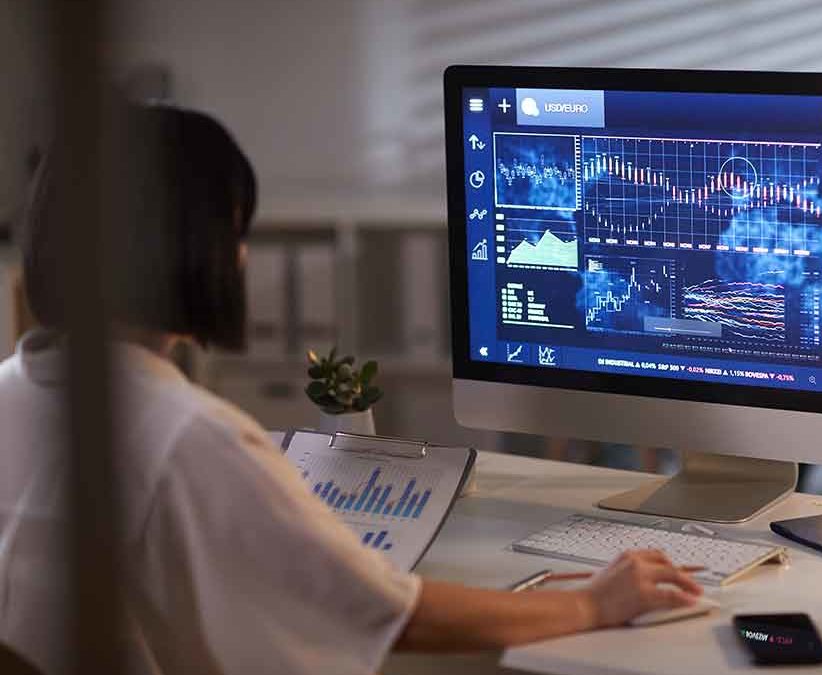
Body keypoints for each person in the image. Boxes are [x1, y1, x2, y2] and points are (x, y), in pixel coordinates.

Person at [0, 103, 702, 675]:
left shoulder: (11, 392)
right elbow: (397, 614)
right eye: (235, 232)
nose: (241, 255)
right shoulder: (187, 439)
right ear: (196, 250)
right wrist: (595, 603)